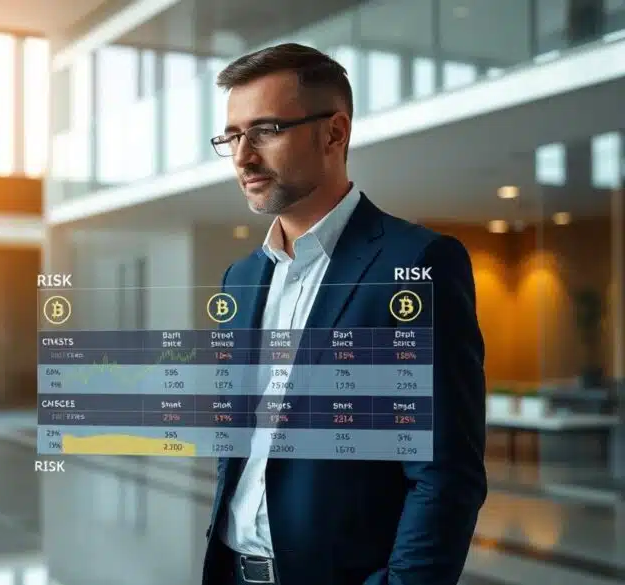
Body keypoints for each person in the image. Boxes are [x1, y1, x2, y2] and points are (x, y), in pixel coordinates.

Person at [201, 43, 488, 585]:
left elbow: (445, 474)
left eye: (265, 130)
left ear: (334, 133)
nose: (243, 157)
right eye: (233, 136)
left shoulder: (418, 262)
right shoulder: (239, 281)